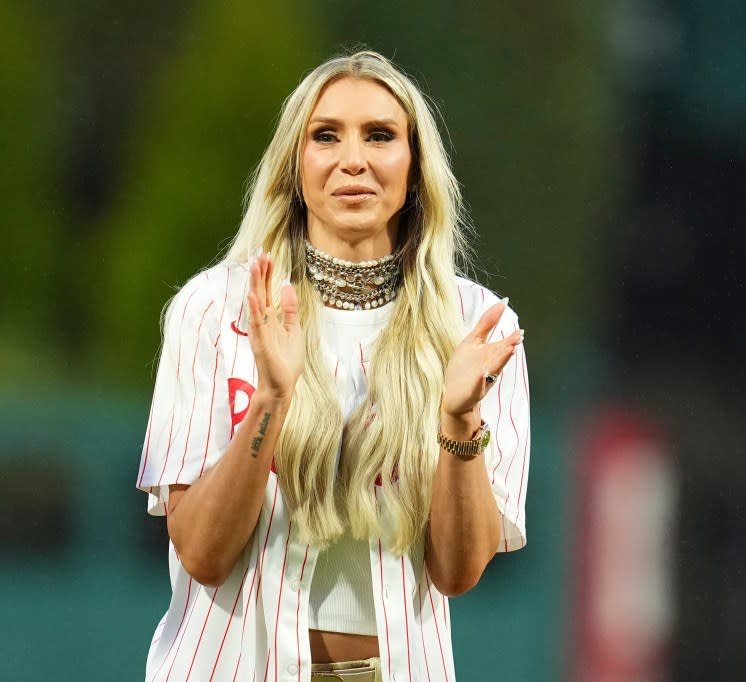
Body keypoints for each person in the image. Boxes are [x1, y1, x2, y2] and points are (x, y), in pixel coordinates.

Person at [135, 50, 530, 682]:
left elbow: (458, 573)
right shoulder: (215, 309)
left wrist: (458, 421)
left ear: (414, 166)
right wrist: (271, 398)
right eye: (326, 136)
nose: (354, 160)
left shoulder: (477, 326)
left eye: (380, 136)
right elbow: (204, 554)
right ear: (296, 166)